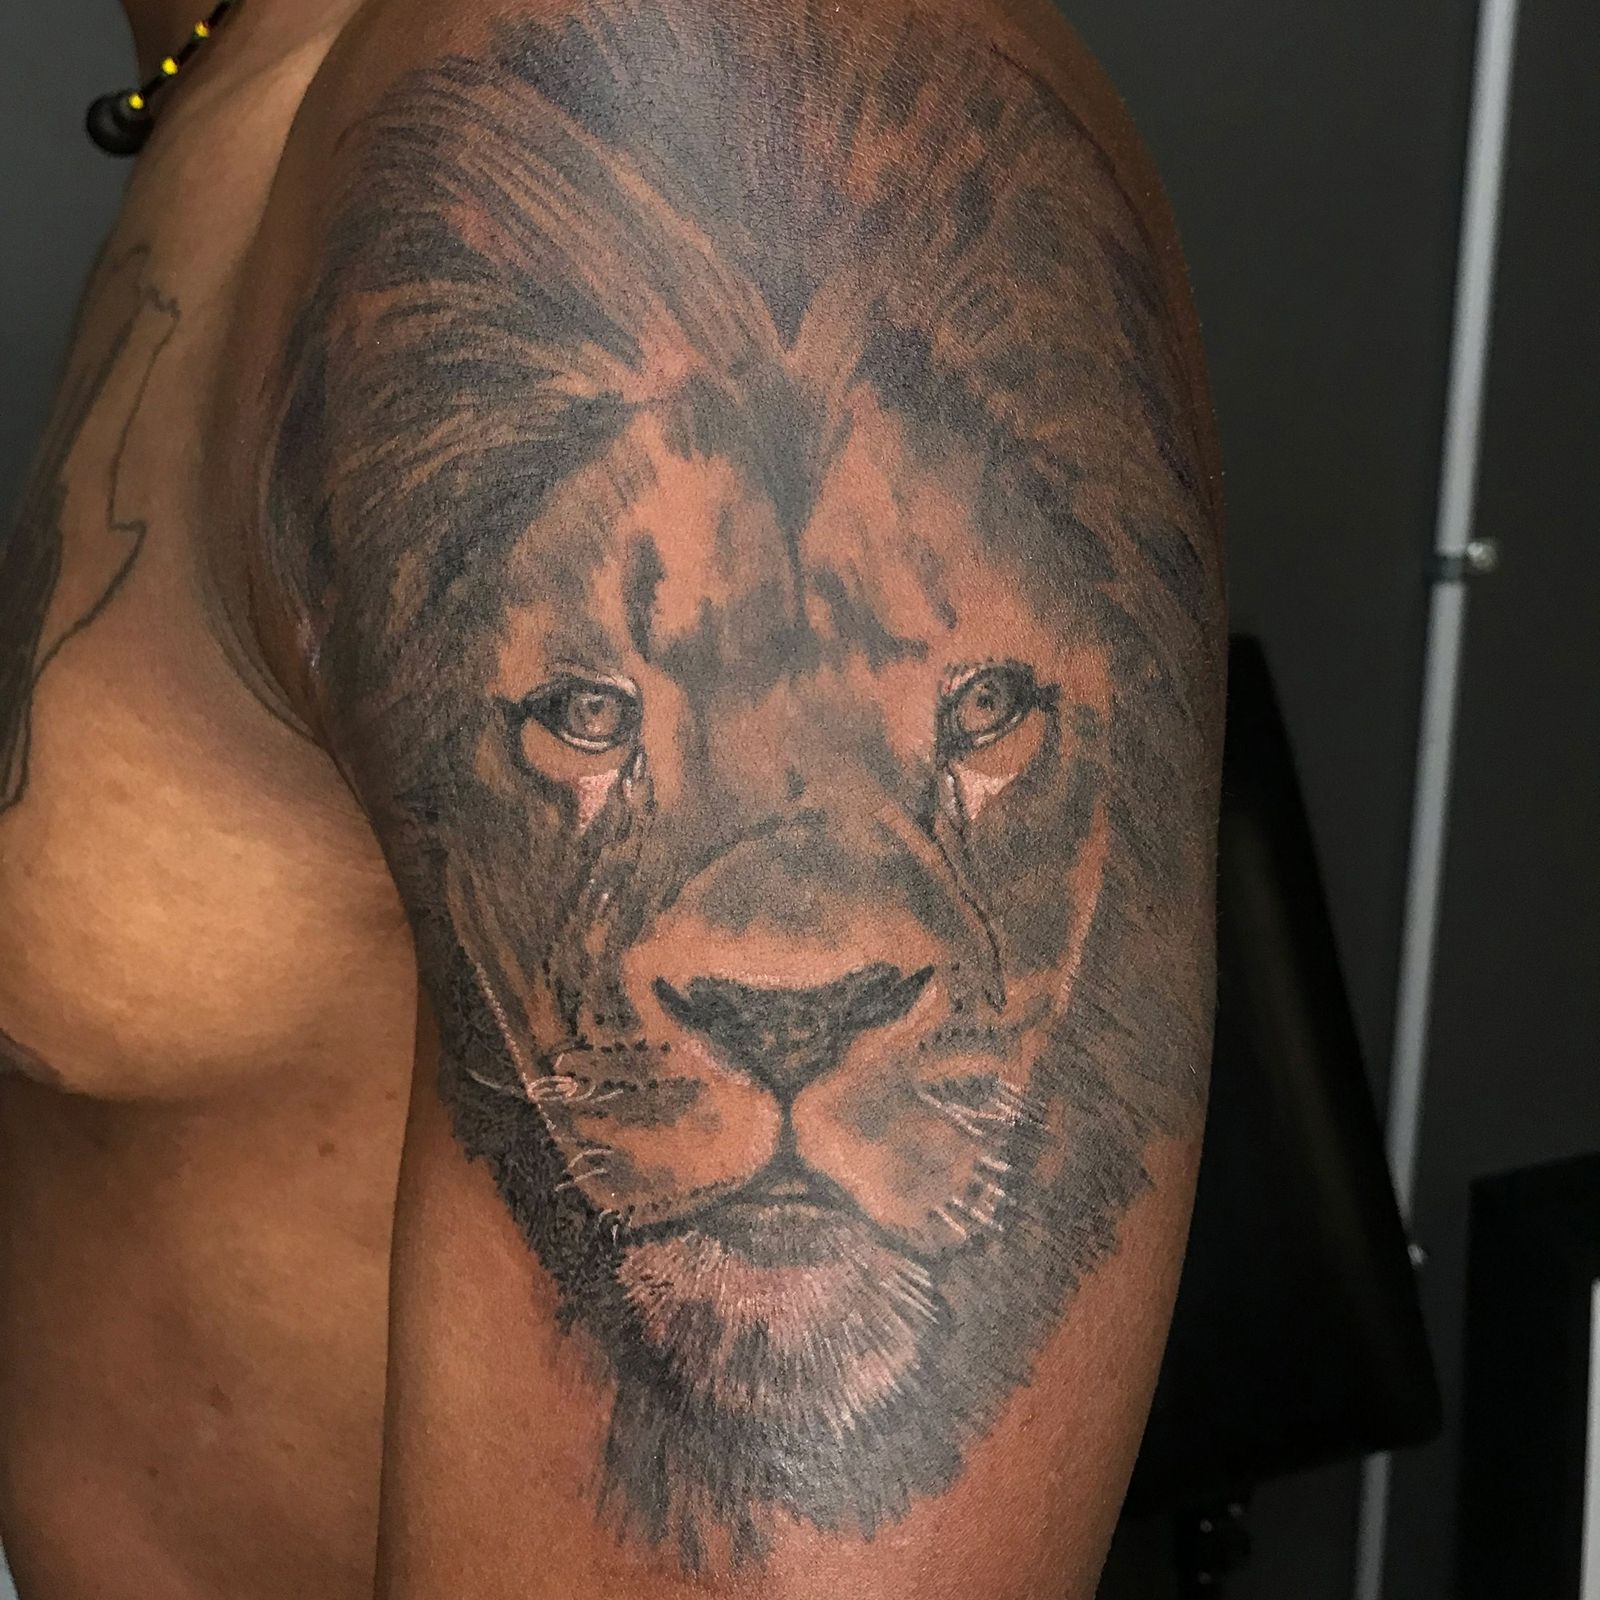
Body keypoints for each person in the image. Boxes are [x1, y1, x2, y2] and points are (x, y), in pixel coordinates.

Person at [0, 0, 1225, 1593]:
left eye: (981, 708)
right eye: (585, 713)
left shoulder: (676, 89)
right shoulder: (277, 64)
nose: (783, 967)